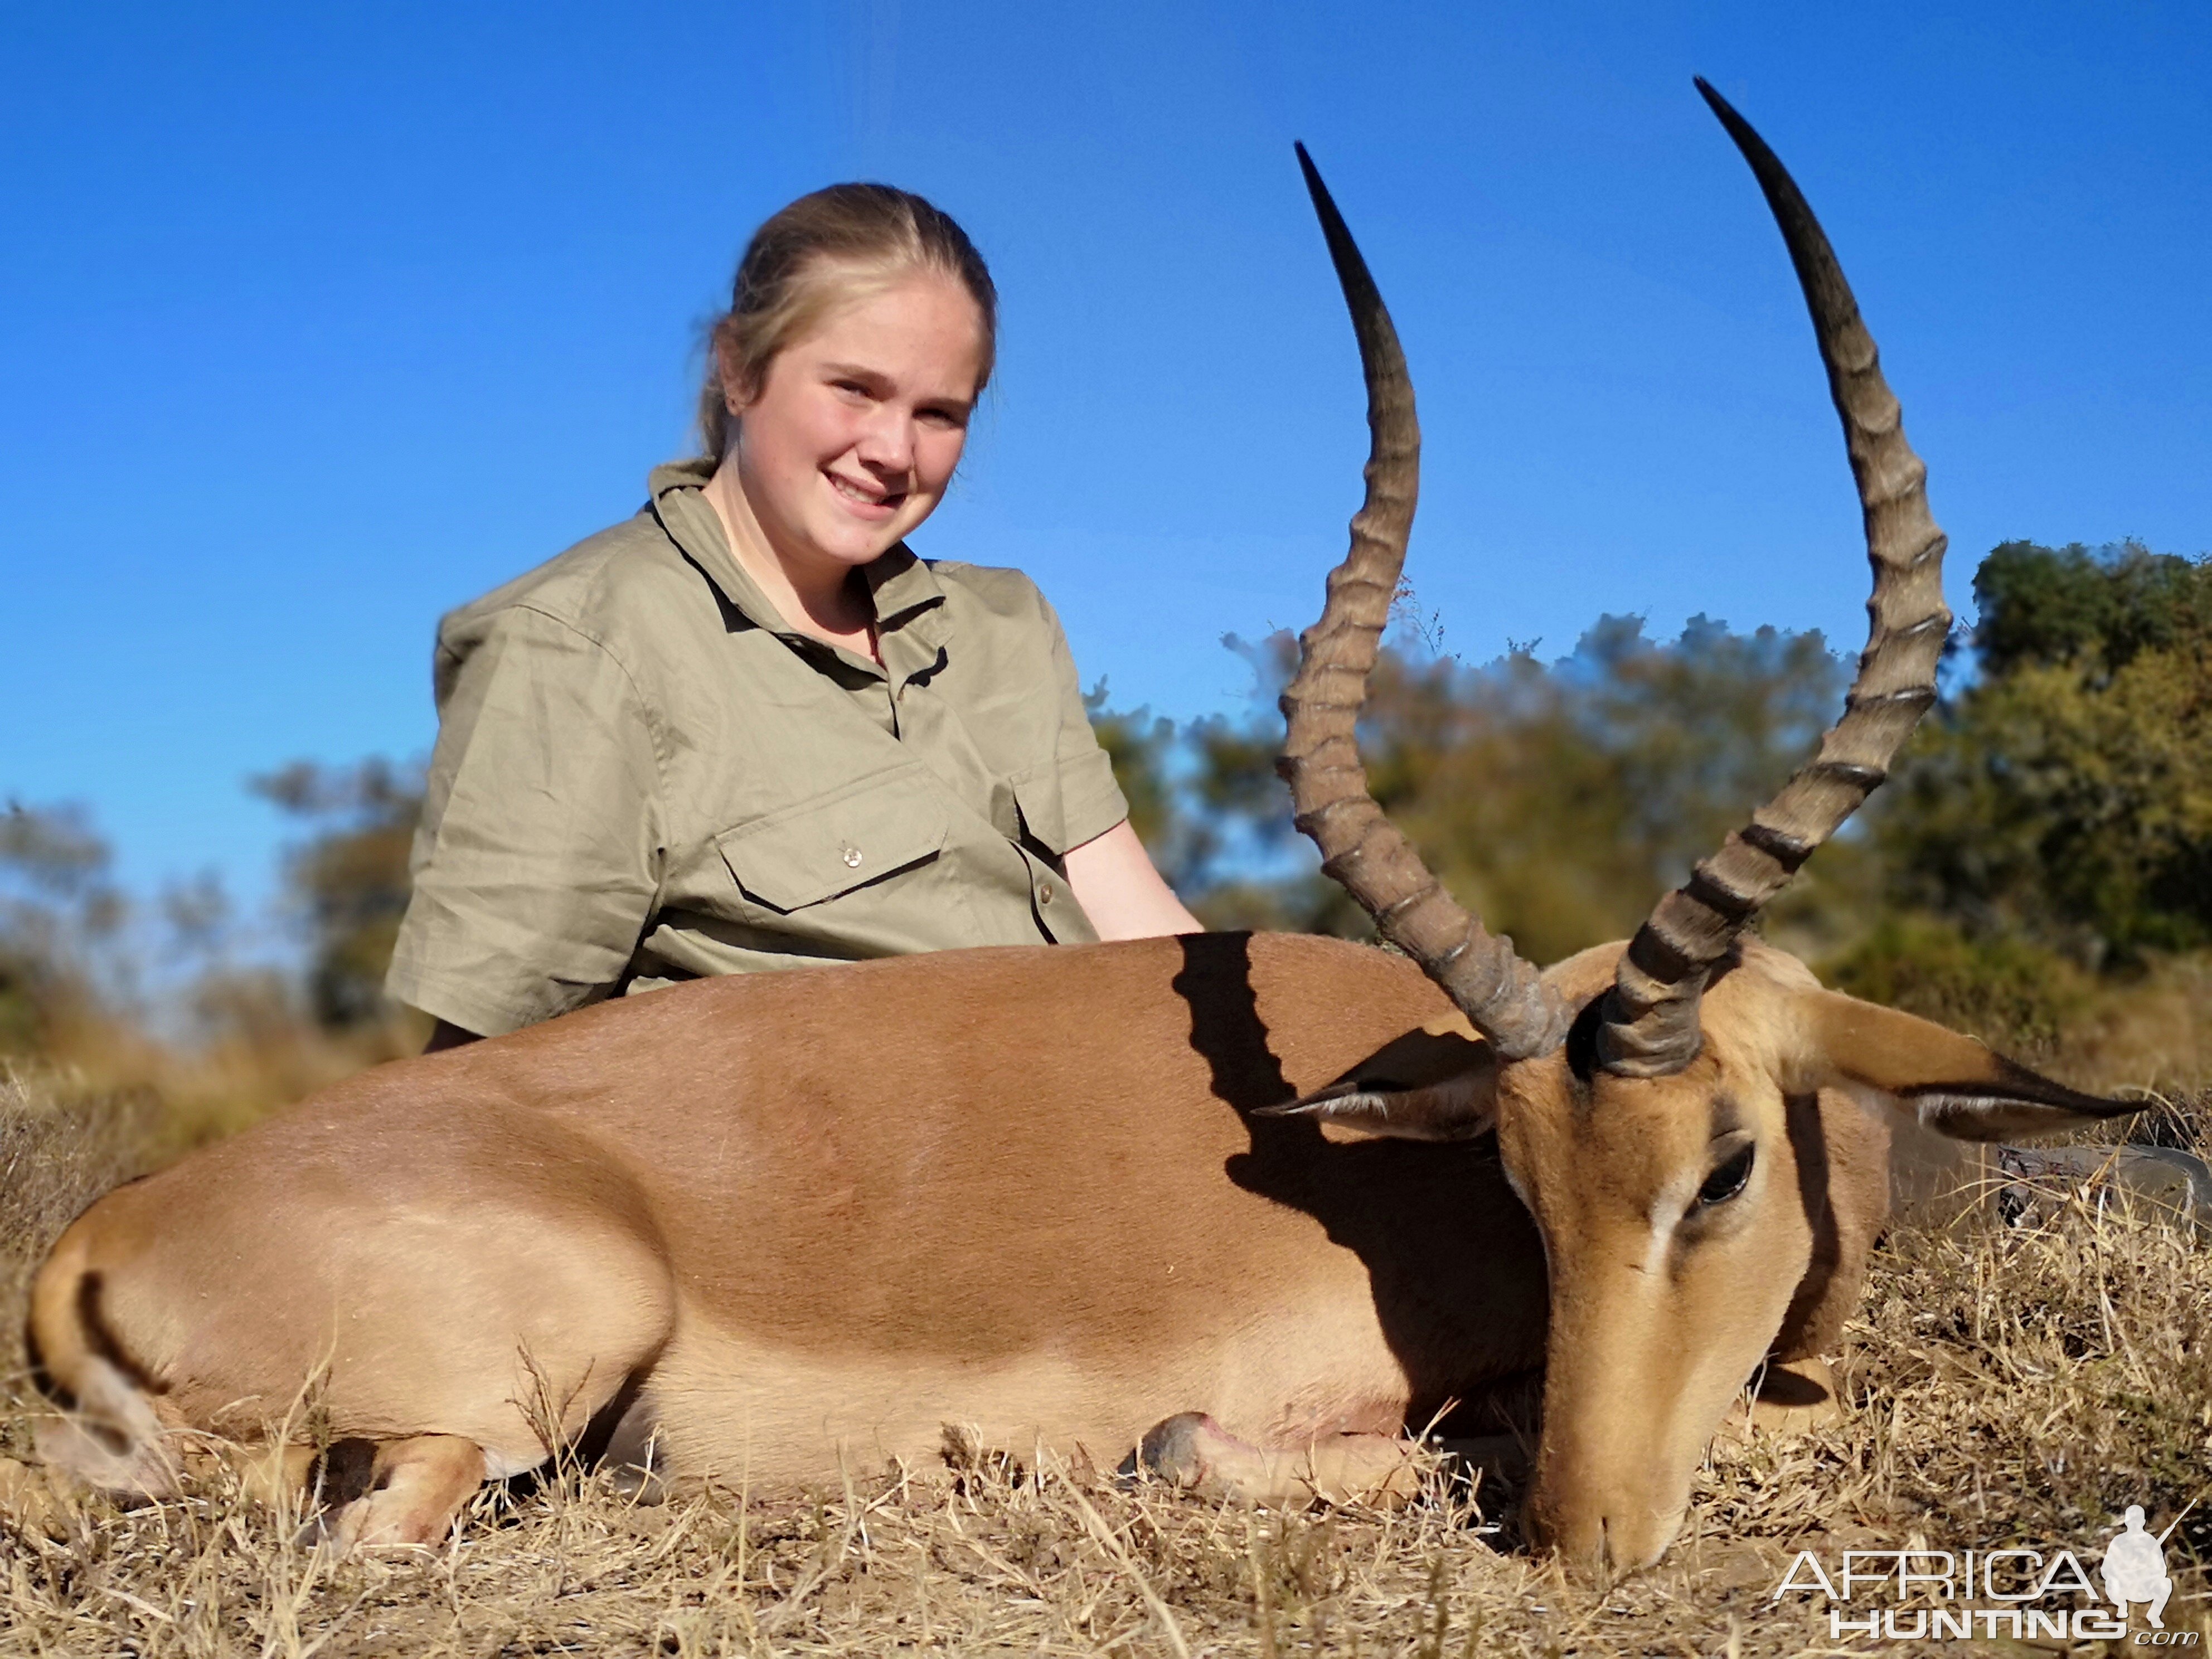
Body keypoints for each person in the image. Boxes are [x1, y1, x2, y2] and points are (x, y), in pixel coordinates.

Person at [385, 184, 1200, 1049]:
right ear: (738, 369)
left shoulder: (1004, 625)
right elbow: (483, 1068)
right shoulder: (579, 644)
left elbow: (1147, 938)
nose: (894, 451)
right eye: (854, 389)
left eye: (939, 414)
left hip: (1095, 1126)